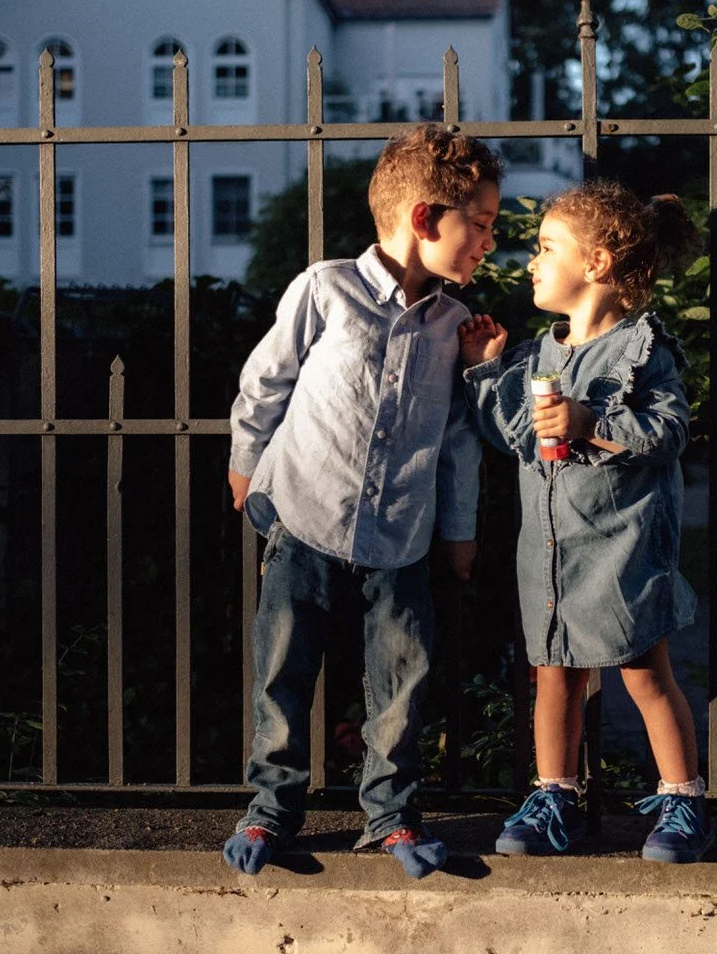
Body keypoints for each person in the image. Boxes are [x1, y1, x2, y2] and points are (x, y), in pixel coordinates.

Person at [221, 123, 501, 880]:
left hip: (402, 539)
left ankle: (390, 817)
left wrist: (459, 531)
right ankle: (271, 811)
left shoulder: (453, 326)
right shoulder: (325, 288)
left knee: (401, 683)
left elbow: (457, 443)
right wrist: (248, 468)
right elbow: (265, 382)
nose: (488, 244)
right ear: (423, 219)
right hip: (304, 518)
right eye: (479, 226)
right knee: (282, 671)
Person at [458, 180, 712, 864]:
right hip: (549, 550)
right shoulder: (541, 354)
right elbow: (513, 434)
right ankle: (554, 799)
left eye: (546, 248)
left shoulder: (641, 347)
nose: (531, 261)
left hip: (619, 548)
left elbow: (669, 431)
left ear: (595, 264)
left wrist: (591, 422)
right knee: (553, 674)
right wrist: (485, 372)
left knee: (643, 673)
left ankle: (683, 800)